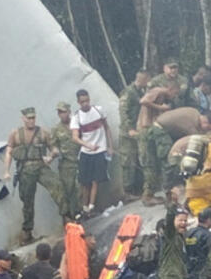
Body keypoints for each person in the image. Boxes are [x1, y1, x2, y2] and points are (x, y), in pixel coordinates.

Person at [4, 108, 64, 242]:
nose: (31, 120)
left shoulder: (42, 132)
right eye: (29, 118)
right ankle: (27, 232)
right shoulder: (16, 134)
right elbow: (8, 152)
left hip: (41, 166)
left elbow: (54, 148)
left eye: (33, 118)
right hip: (25, 169)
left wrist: (51, 156)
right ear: (23, 118)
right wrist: (6, 171)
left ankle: (68, 217)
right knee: (27, 201)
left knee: (58, 187)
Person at [73, 87, 114, 215]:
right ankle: (84, 207)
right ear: (79, 102)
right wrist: (87, 145)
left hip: (100, 150)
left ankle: (91, 206)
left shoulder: (98, 110)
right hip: (86, 152)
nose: (85, 104)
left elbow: (107, 128)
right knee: (85, 182)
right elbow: (75, 137)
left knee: (96, 180)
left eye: (87, 100)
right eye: (82, 102)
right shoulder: (77, 117)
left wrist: (110, 146)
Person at [137, 82, 180, 205]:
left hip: (152, 130)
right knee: (149, 163)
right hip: (145, 129)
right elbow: (143, 101)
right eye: (174, 94)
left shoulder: (162, 96)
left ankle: (152, 192)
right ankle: (147, 196)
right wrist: (162, 108)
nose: (174, 97)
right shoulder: (159, 91)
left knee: (155, 162)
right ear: (170, 89)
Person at [119, 69, 150, 197]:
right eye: (147, 80)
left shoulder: (141, 92)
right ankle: (127, 191)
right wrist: (129, 128)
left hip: (139, 131)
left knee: (139, 160)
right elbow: (123, 111)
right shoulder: (128, 92)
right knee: (128, 161)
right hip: (128, 133)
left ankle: (139, 188)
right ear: (141, 79)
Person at [51, 101, 83, 220]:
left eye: (63, 111)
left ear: (69, 112)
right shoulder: (56, 129)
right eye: (59, 112)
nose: (62, 114)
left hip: (80, 160)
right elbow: (53, 145)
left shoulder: (77, 124)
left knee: (81, 187)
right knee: (69, 190)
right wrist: (54, 152)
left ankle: (81, 211)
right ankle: (71, 216)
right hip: (66, 163)